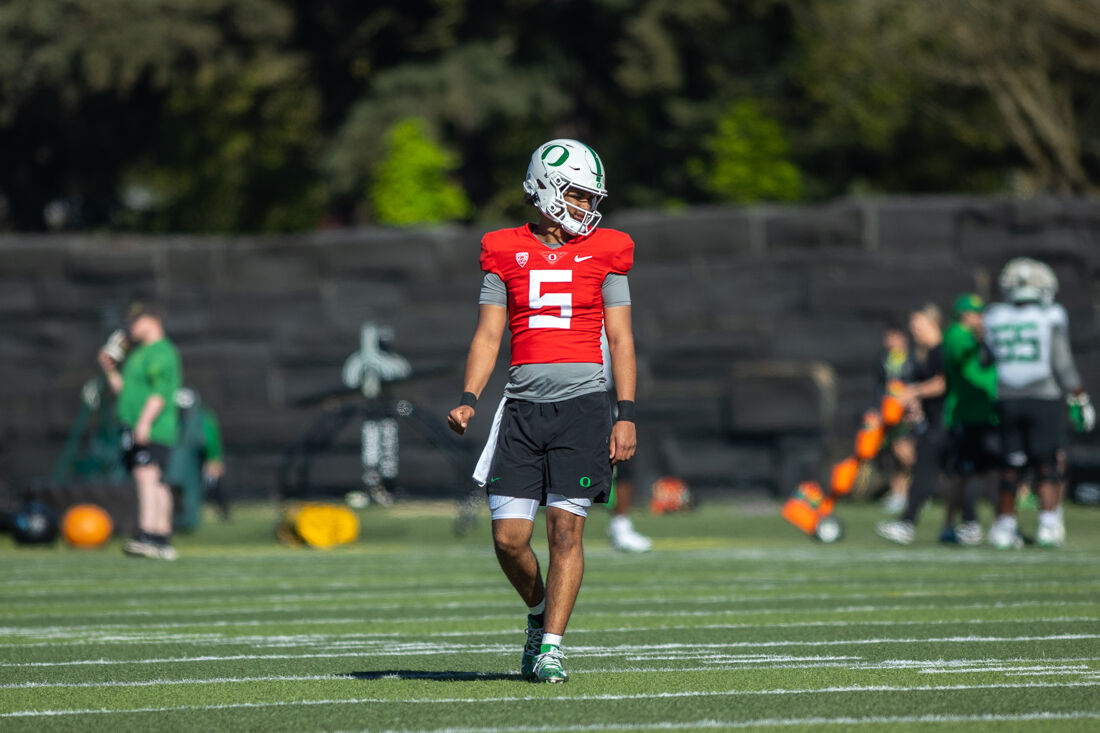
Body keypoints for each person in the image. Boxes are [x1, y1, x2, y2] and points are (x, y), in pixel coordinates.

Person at [447, 139, 637, 684]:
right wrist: (469, 397)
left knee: (565, 534)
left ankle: (551, 646)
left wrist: (625, 412)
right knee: (508, 539)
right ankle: (537, 614)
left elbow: (621, 340)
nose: (585, 207)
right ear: (547, 188)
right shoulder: (503, 249)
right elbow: (489, 335)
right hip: (522, 408)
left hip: (583, 407)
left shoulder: (609, 249)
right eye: (576, 194)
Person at [984, 258, 1094, 548]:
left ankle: (1004, 525)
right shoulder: (1050, 316)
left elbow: (987, 358)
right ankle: (1047, 523)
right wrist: (1079, 395)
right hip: (1042, 396)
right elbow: (1062, 361)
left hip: (1007, 398)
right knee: (1046, 463)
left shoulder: (995, 316)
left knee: (1010, 465)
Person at [97, 302, 183, 560]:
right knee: (156, 481)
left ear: (152, 320)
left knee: (146, 477)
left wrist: (145, 422)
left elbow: (160, 394)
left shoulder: (162, 353)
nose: (131, 327)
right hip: (134, 424)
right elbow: (124, 392)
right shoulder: (138, 354)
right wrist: (110, 369)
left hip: (153, 427)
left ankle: (147, 534)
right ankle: (160, 537)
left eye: (136, 321)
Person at [876, 304, 966, 544]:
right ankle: (963, 524)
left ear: (933, 324)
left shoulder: (941, 351)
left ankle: (907, 524)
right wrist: (913, 408)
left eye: (918, 325)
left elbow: (943, 384)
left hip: (946, 422)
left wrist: (912, 393)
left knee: (926, 472)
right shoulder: (922, 354)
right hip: (934, 421)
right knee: (954, 476)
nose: (914, 331)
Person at [940, 293, 999, 542]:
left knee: (994, 470)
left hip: (988, 413)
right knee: (966, 473)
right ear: (965, 315)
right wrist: (981, 339)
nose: (981, 318)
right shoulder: (956, 335)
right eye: (977, 313)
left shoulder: (982, 337)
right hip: (966, 414)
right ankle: (961, 523)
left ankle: (1000, 523)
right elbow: (962, 356)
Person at [601, 329, 651, 552]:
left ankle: (620, 524)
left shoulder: (606, 302)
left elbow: (620, 343)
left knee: (622, 451)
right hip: (557, 388)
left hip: (603, 388)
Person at [875, 322, 917, 515]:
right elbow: (879, 386)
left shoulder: (913, 358)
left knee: (904, 452)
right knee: (892, 455)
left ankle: (917, 491)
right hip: (889, 413)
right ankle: (898, 494)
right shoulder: (885, 359)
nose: (889, 341)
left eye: (893, 337)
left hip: (907, 413)